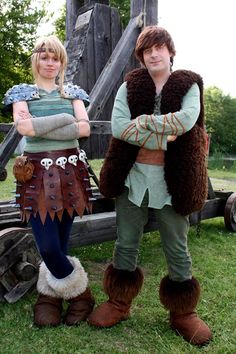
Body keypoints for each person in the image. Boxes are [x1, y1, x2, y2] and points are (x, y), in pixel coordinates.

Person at [87, 26, 212, 346]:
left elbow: (186, 121)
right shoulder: (129, 86)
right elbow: (118, 127)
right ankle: (119, 303)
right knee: (125, 244)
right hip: (133, 179)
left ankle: (183, 312)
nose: (153, 54)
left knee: (177, 247)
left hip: (174, 183)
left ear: (170, 51)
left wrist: (141, 124)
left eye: (159, 47)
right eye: (146, 50)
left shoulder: (188, 84)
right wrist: (164, 136)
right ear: (142, 57)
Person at [4, 35, 95, 327]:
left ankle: (49, 296)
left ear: (62, 62)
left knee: (62, 243)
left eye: (55, 57)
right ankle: (81, 295)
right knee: (47, 247)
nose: (50, 62)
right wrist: (64, 120)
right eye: (45, 57)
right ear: (36, 60)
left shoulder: (73, 93)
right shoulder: (21, 93)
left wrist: (51, 126)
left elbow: (84, 130)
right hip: (36, 175)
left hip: (70, 172)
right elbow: (25, 127)